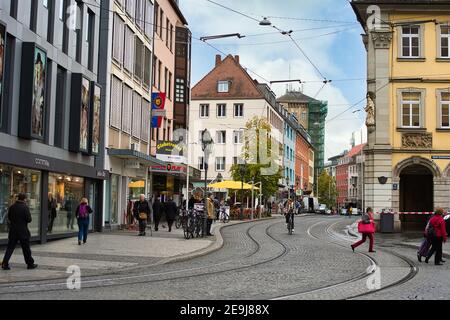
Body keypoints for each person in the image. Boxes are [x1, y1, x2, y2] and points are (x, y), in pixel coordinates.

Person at [1, 193, 37, 270]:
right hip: (23, 231)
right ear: (24, 199)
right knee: (26, 249)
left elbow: (9, 217)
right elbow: (29, 219)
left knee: (10, 248)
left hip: (13, 230)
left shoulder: (12, 207)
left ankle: (5, 263)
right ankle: (30, 264)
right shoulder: (25, 207)